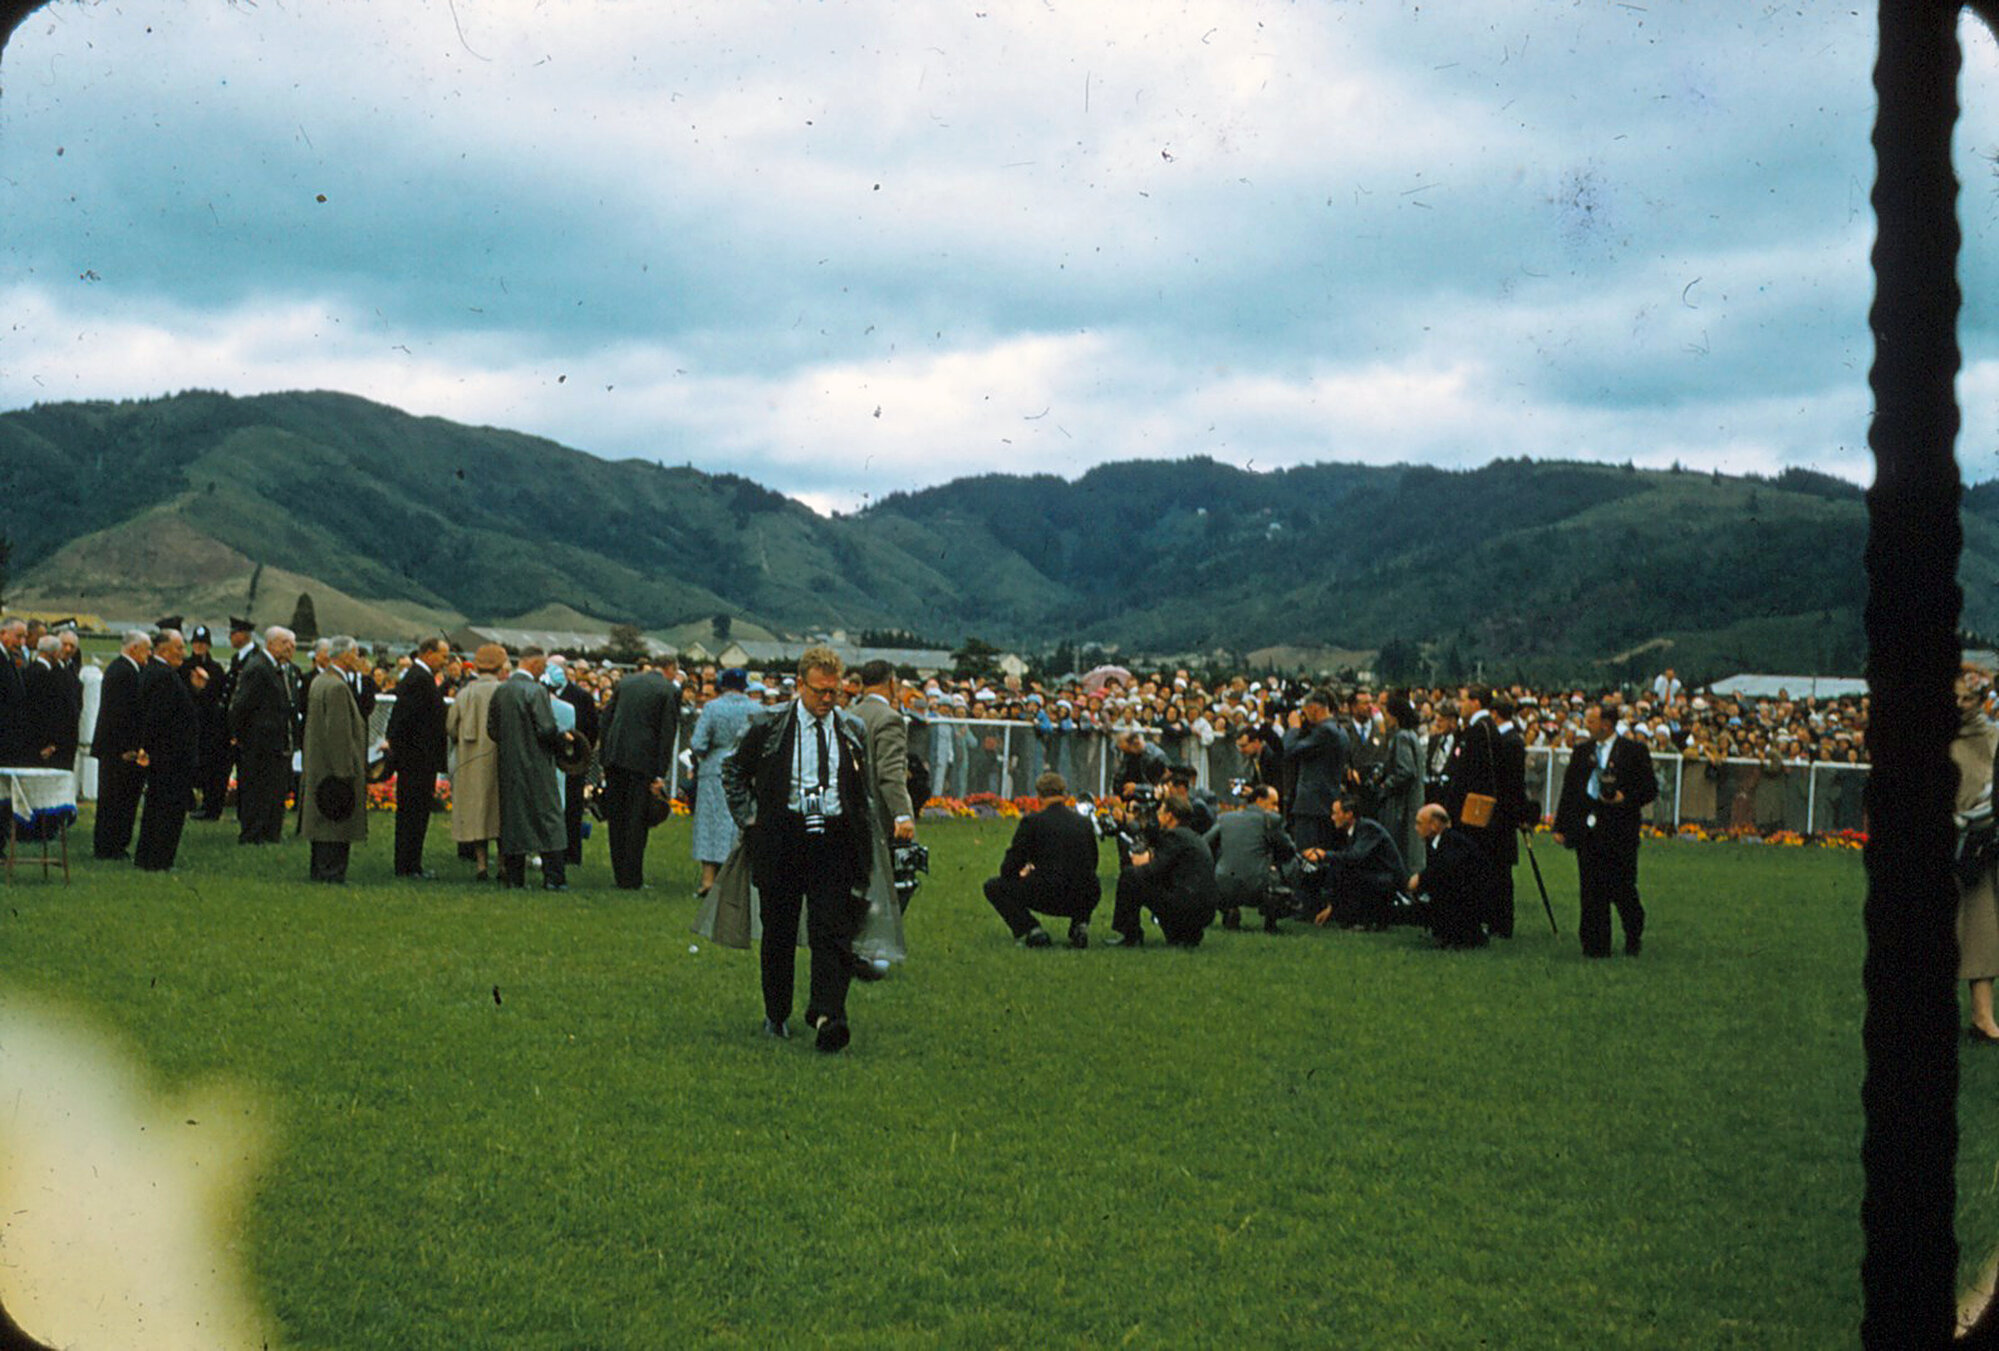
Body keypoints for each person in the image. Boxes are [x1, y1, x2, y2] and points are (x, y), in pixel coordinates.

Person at [721, 646, 873, 1053]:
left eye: (834, 692)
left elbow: (863, 789)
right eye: (820, 691)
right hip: (783, 836)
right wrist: (750, 818)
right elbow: (733, 769)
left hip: (834, 838)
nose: (827, 700)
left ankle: (827, 1015)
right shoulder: (769, 725)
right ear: (799, 685)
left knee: (834, 930)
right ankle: (777, 1012)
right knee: (780, 931)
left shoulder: (851, 730)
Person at [1554, 699, 1660, 958]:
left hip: (1619, 829)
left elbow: (1649, 789)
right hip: (1588, 829)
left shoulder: (1633, 751)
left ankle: (1633, 931)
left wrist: (1626, 797)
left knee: (1622, 887)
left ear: (1607, 724)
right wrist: (1562, 826)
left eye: (1591, 721)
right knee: (1590, 889)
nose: (1586, 726)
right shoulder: (1582, 752)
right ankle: (1594, 946)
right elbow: (1569, 791)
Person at [847, 659, 915, 971]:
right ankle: (868, 950)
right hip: (874, 816)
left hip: (845, 810)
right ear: (890, 683)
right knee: (882, 883)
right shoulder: (889, 719)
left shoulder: (848, 713)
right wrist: (902, 814)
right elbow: (890, 773)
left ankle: (848, 945)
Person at [983, 770, 1102, 948]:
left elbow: (1009, 866)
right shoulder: (1083, 823)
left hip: (1047, 892)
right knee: (1087, 879)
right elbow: (1092, 861)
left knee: (993, 886)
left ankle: (1032, 930)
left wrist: (1026, 872)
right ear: (1064, 794)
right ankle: (1080, 924)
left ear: (1039, 796)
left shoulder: (1032, 823)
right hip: (1084, 894)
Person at [598, 652, 681, 891]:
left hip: (615, 757)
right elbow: (666, 734)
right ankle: (632, 878)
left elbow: (606, 719)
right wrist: (659, 773)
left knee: (617, 819)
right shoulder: (668, 690)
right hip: (642, 762)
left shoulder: (626, 682)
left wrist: (605, 755)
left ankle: (618, 873)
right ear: (670, 668)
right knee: (636, 821)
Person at [488, 646, 569, 891]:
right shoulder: (536, 692)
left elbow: (491, 730)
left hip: (509, 765)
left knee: (514, 819)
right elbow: (545, 729)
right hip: (537, 764)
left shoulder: (501, 692)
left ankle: (514, 877)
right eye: (543, 666)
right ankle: (554, 877)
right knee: (549, 818)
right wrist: (562, 739)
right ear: (534, 664)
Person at [1110, 790, 1220, 947]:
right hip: (1205, 909)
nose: (1158, 816)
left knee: (1131, 876)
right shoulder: (1192, 837)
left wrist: (1139, 863)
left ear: (1169, 816)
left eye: (1161, 812)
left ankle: (1131, 934)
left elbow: (1155, 870)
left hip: (1186, 905)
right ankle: (1186, 935)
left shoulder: (1174, 836)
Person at [1953, 669, 1999, 1043]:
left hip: (1978, 848)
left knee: (1982, 935)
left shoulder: (1989, 735)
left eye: (1966, 699)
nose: (1960, 705)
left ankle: (1983, 1018)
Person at [301, 636, 369, 884]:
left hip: (320, 764)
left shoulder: (321, 681)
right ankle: (332, 873)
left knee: (321, 822)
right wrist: (344, 772)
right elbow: (338, 733)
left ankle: (320, 870)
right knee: (336, 822)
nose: (359, 659)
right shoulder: (338, 687)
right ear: (346, 655)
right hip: (334, 768)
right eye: (356, 653)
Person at [133, 628, 201, 872]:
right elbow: (158, 718)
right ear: (163, 650)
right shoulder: (162, 676)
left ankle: (147, 857)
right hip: (171, 757)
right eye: (179, 648)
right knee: (167, 810)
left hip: (166, 755)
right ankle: (159, 860)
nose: (183, 653)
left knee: (156, 807)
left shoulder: (162, 673)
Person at [385, 636, 450, 879]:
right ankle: (407, 865)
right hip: (416, 760)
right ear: (428, 653)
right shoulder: (418, 680)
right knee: (412, 814)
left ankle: (412, 862)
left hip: (420, 759)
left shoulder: (421, 679)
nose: (445, 662)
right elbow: (403, 719)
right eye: (443, 656)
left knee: (417, 813)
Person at [687, 667, 755, 895]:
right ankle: (736, 878)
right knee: (739, 822)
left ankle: (708, 879)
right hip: (745, 768)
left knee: (710, 822)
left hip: (715, 767)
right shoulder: (756, 708)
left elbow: (698, 742)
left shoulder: (712, 708)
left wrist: (708, 753)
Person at [228, 625, 298, 845]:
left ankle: (270, 832)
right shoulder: (259, 668)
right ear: (271, 643)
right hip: (258, 742)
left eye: (293, 644)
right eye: (285, 643)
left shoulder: (282, 669)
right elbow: (241, 705)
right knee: (257, 789)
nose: (290, 648)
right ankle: (252, 834)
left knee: (274, 789)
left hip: (277, 742)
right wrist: (239, 735)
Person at [446, 644, 507, 880]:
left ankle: (481, 865)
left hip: (470, 761)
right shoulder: (504, 691)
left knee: (476, 814)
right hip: (499, 760)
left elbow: (451, 726)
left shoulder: (465, 694)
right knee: (500, 813)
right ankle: (502, 865)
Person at [91, 630, 152, 860]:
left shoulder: (126, 670)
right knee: (115, 799)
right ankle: (109, 846)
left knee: (123, 800)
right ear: (134, 648)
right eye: (146, 649)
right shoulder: (122, 673)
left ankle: (116, 843)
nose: (149, 654)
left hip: (119, 748)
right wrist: (127, 748)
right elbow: (120, 715)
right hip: (118, 750)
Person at [1306, 794, 1408, 929]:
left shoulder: (1368, 828)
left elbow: (1355, 857)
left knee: (1348, 873)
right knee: (1339, 870)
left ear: (1349, 814)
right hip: (1378, 876)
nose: (1332, 817)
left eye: (1336, 813)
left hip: (1388, 880)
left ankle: (1363, 919)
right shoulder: (1354, 831)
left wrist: (1324, 855)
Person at [1204, 783, 1296, 933]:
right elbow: (1289, 850)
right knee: (1293, 864)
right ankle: (1272, 919)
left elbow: (1205, 844)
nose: (1276, 809)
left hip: (1223, 884)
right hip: (1257, 887)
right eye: (1273, 803)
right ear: (1259, 800)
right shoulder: (1270, 820)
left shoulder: (1225, 818)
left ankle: (1229, 910)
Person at [1408, 803, 1492, 949]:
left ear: (1434, 825)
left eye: (1420, 823)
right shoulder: (1438, 842)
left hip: (1469, 899)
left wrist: (1420, 879)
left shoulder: (1453, 842)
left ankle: (1460, 935)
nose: (1416, 828)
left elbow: (1446, 870)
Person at [1281, 689, 1346, 851]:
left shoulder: (1325, 731)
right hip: (1327, 803)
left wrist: (1294, 728)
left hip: (1312, 807)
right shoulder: (1340, 729)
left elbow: (1290, 751)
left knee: (1308, 856)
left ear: (1314, 709)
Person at [182, 625, 230, 819]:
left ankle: (208, 806)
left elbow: (218, 696)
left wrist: (206, 686)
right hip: (189, 723)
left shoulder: (216, 669)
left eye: (203, 643)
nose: (200, 647)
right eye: (196, 643)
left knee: (210, 767)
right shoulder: (184, 667)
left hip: (209, 726)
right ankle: (188, 802)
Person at [1378, 692, 1426, 870]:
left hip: (1402, 806)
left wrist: (1385, 784)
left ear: (1395, 716)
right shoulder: (1412, 735)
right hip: (1413, 801)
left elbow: (1406, 771)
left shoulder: (1401, 737)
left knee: (1403, 851)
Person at [21, 634, 79, 772]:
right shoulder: (45, 675)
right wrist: (50, 743)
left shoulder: (30, 670)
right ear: (53, 653)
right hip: (43, 744)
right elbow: (45, 712)